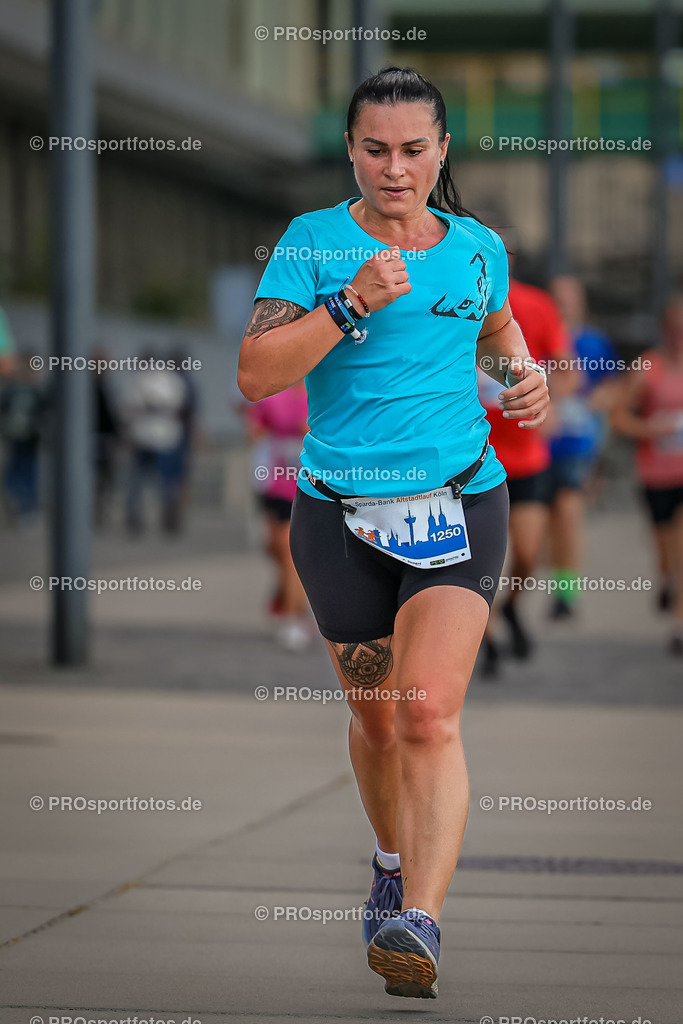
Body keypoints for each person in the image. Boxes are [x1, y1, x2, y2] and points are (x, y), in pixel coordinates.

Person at [238, 67, 550, 999]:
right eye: (375, 148)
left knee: (425, 714)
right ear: (350, 150)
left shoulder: (478, 247)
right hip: (339, 518)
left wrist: (523, 376)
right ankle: (387, 863)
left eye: (414, 149)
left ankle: (420, 919)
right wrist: (347, 305)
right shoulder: (310, 244)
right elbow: (256, 373)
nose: (394, 167)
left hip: (461, 503)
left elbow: (493, 335)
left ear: (442, 150)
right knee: (375, 721)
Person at [478, 271, 571, 673]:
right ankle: (489, 635)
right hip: (473, 459)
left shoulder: (536, 304)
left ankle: (512, 606)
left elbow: (568, 367)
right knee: (478, 561)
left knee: (529, 554)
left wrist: (552, 404)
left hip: (527, 456)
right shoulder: (444, 299)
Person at [611, 296, 683, 656]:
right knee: (665, 551)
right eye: (673, 327)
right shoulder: (648, 367)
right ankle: (668, 580)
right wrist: (652, 429)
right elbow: (619, 417)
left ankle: (678, 624)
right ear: (664, 330)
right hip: (656, 473)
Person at [547, 276, 620, 618]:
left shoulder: (593, 342)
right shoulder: (533, 335)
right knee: (536, 524)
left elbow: (612, 388)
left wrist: (589, 405)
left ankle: (566, 592)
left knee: (567, 510)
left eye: (570, 299)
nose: (564, 305)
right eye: (557, 298)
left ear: (581, 303)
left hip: (575, 442)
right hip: (534, 443)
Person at [244, 383, 311, 651]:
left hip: (306, 484)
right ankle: (285, 597)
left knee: (290, 551)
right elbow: (254, 432)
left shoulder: (320, 391)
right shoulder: (272, 395)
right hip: (274, 481)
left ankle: (294, 616)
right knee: (273, 548)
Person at [122, 353, 187, 535]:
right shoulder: (170, 380)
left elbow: (131, 407)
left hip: (153, 438)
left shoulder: (146, 380)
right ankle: (160, 517)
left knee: (146, 481)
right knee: (158, 481)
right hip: (158, 438)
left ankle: (143, 517)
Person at [0, 353, 45, 523]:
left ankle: (27, 507)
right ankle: (17, 502)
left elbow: (44, 410)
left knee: (29, 472)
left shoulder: (37, 389)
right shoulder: (12, 389)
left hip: (31, 437)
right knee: (15, 470)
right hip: (15, 436)